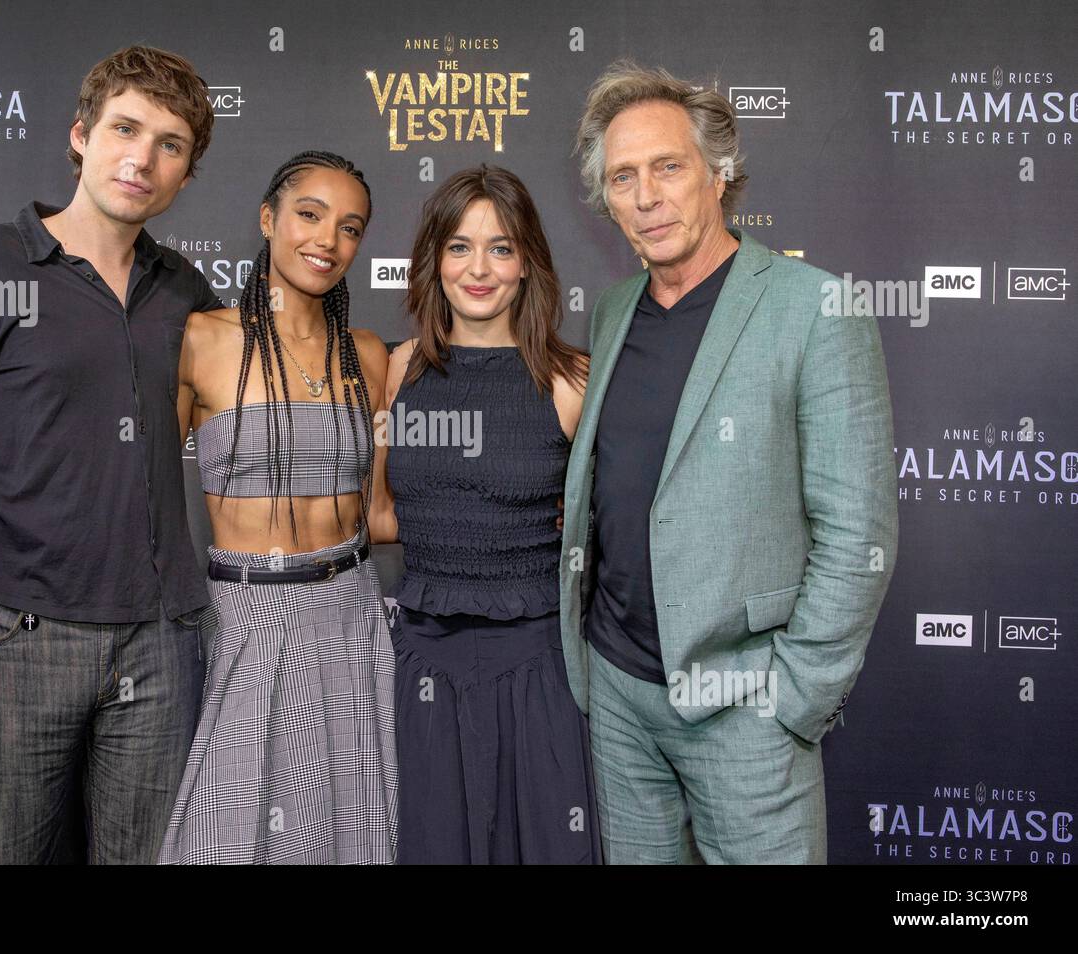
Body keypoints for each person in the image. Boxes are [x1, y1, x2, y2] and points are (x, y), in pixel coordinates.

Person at [0, 45, 221, 864]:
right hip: (10, 639)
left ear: (186, 175)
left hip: (161, 643)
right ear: (80, 135)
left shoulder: (186, 291)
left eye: (170, 145)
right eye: (125, 129)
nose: (142, 159)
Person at [561, 62, 898, 864]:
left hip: (747, 706)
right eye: (623, 178)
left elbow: (858, 531)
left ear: (719, 173)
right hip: (619, 696)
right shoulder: (612, 311)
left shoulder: (816, 307)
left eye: (668, 168)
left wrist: (793, 698)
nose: (646, 197)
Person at [159, 151, 398, 865]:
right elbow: (135, 489)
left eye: (349, 227)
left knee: (352, 830)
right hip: (247, 614)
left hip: (352, 611)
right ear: (268, 219)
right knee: (231, 835)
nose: (328, 240)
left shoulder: (368, 355)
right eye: (309, 215)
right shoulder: (202, 340)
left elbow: (378, 514)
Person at [378, 165, 599, 864]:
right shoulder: (400, 369)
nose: (479, 269)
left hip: (538, 664)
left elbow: (605, 529)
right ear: (434, 259)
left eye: (500, 248)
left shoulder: (572, 381)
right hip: (424, 659)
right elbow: (380, 515)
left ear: (527, 261)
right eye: (459, 247)